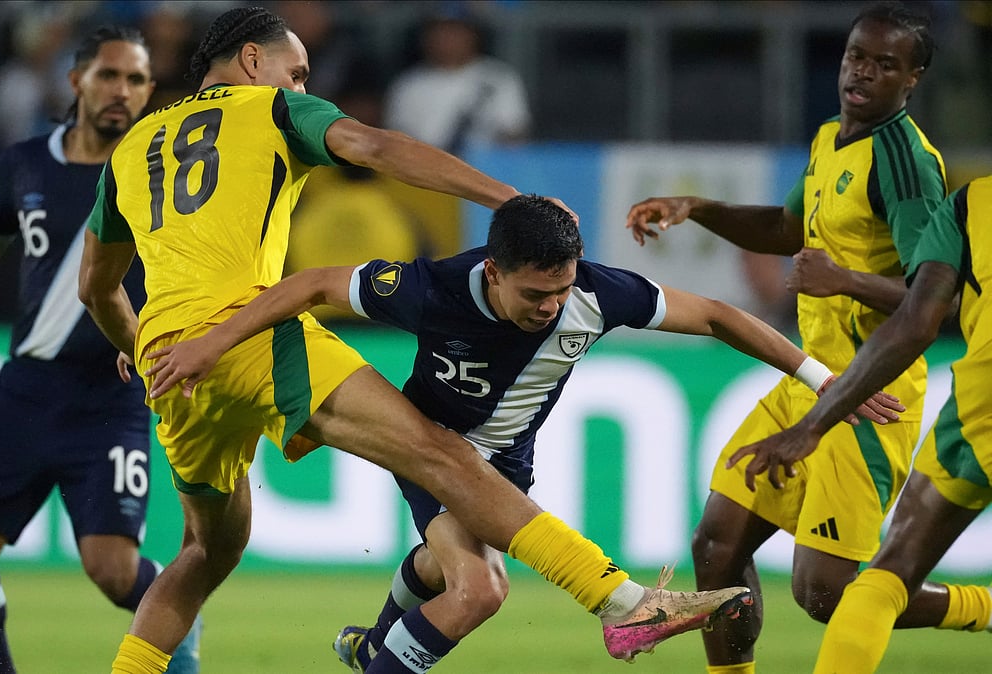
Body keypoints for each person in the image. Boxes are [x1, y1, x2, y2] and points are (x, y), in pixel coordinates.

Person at [77, 7, 755, 673]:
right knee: (442, 454)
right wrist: (511, 203)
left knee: (203, 552)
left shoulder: (131, 149)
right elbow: (376, 147)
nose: (304, 88)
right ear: (254, 61)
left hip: (173, 360)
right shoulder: (273, 110)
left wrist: (139, 345)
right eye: (298, 71)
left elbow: (96, 288)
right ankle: (621, 601)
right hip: (249, 332)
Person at [140, 194, 899, 673]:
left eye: (562, 289)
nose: (551, 307)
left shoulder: (597, 293)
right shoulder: (430, 290)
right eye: (535, 294)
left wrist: (821, 379)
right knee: (480, 590)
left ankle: (372, 648)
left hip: (510, 466)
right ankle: (393, 662)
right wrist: (210, 345)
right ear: (495, 271)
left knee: (441, 575)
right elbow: (309, 284)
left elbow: (717, 316)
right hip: (432, 450)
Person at [624, 3, 991, 672]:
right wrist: (698, 209)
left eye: (885, 65)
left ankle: (982, 608)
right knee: (716, 545)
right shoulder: (830, 138)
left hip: (871, 395)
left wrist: (844, 279)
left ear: (913, 79)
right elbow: (787, 230)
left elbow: (931, 305)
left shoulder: (906, 164)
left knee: (825, 595)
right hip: (808, 376)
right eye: (857, 57)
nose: (863, 74)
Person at [0, 26, 201, 674]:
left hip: (111, 395)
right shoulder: (24, 163)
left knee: (112, 570)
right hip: (27, 391)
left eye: (137, 80)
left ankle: (182, 643)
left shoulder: (159, 174)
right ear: (75, 81)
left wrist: (159, 333)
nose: (123, 92)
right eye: (110, 76)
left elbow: (196, 265)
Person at [729, 174, 992, 673]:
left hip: (980, 407)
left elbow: (920, 319)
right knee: (723, 545)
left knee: (882, 578)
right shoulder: (835, 145)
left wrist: (812, 426)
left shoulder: (969, 202)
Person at [384, 12, 530, 155]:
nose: (446, 39)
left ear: (472, 35)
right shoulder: (408, 84)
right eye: (439, 32)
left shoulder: (498, 77)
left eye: (454, 32)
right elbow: (396, 140)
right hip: (423, 168)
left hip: (485, 168)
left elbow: (514, 132)